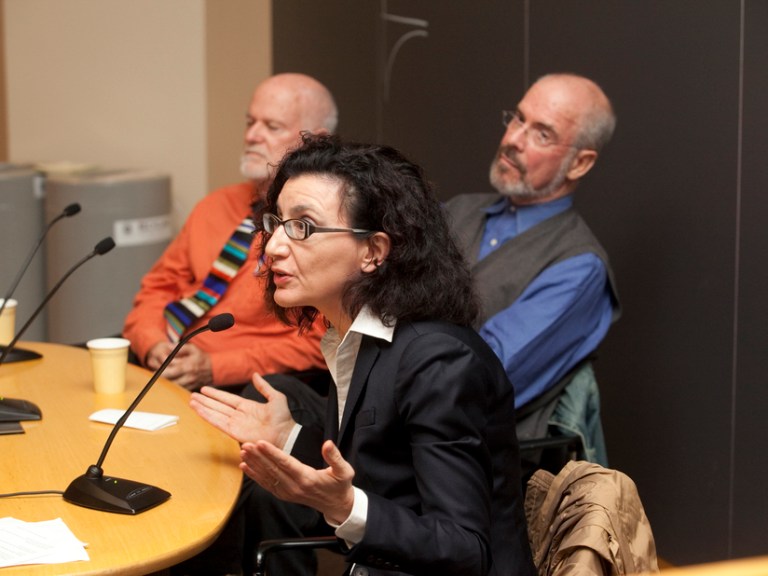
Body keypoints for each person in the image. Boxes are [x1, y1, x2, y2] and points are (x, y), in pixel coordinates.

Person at [189, 134, 536, 576]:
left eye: (304, 227)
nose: (273, 246)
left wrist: (348, 507)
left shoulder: (439, 361)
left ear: (373, 251)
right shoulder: (353, 337)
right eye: (275, 222)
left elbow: (465, 549)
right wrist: (288, 438)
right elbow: (383, 477)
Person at [444, 73, 621, 466]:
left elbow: (480, 376)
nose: (513, 140)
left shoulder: (579, 266)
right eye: (517, 119)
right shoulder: (457, 211)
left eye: (541, 134)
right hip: (393, 433)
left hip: (473, 465)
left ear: (580, 163)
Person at [122, 73, 338, 391]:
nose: (251, 135)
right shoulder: (215, 205)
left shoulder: (324, 224)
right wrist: (153, 343)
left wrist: (216, 368)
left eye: (272, 127)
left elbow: (324, 341)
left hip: (242, 381)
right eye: (250, 122)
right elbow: (158, 289)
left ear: (315, 141)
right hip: (166, 355)